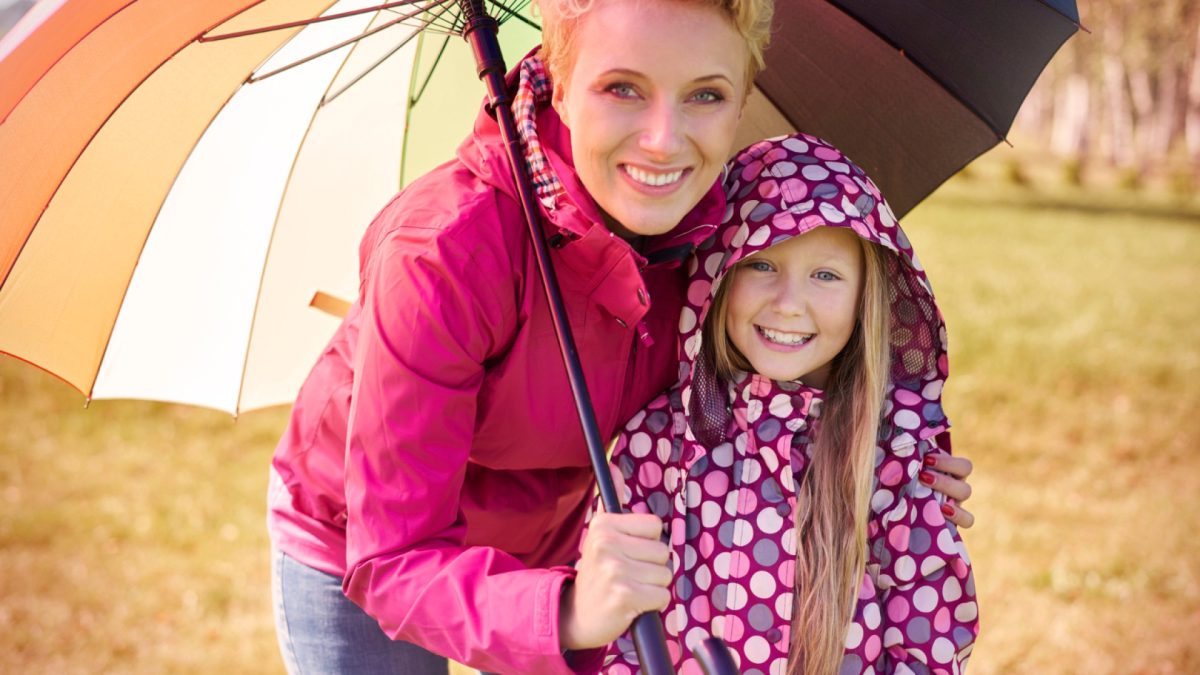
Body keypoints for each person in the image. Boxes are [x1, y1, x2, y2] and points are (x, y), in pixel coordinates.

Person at [266, 1, 973, 673]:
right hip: (373, 546)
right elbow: (394, 557)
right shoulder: (441, 253)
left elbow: (762, 378)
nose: (665, 141)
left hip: (567, 536)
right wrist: (569, 611)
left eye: (706, 95)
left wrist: (883, 456)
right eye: (623, 88)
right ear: (560, 84)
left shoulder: (720, 229)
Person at [591, 134, 978, 675]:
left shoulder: (893, 456)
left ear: (867, 294)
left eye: (825, 275)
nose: (789, 304)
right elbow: (619, 635)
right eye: (762, 265)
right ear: (718, 276)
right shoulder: (658, 442)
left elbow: (926, 647)